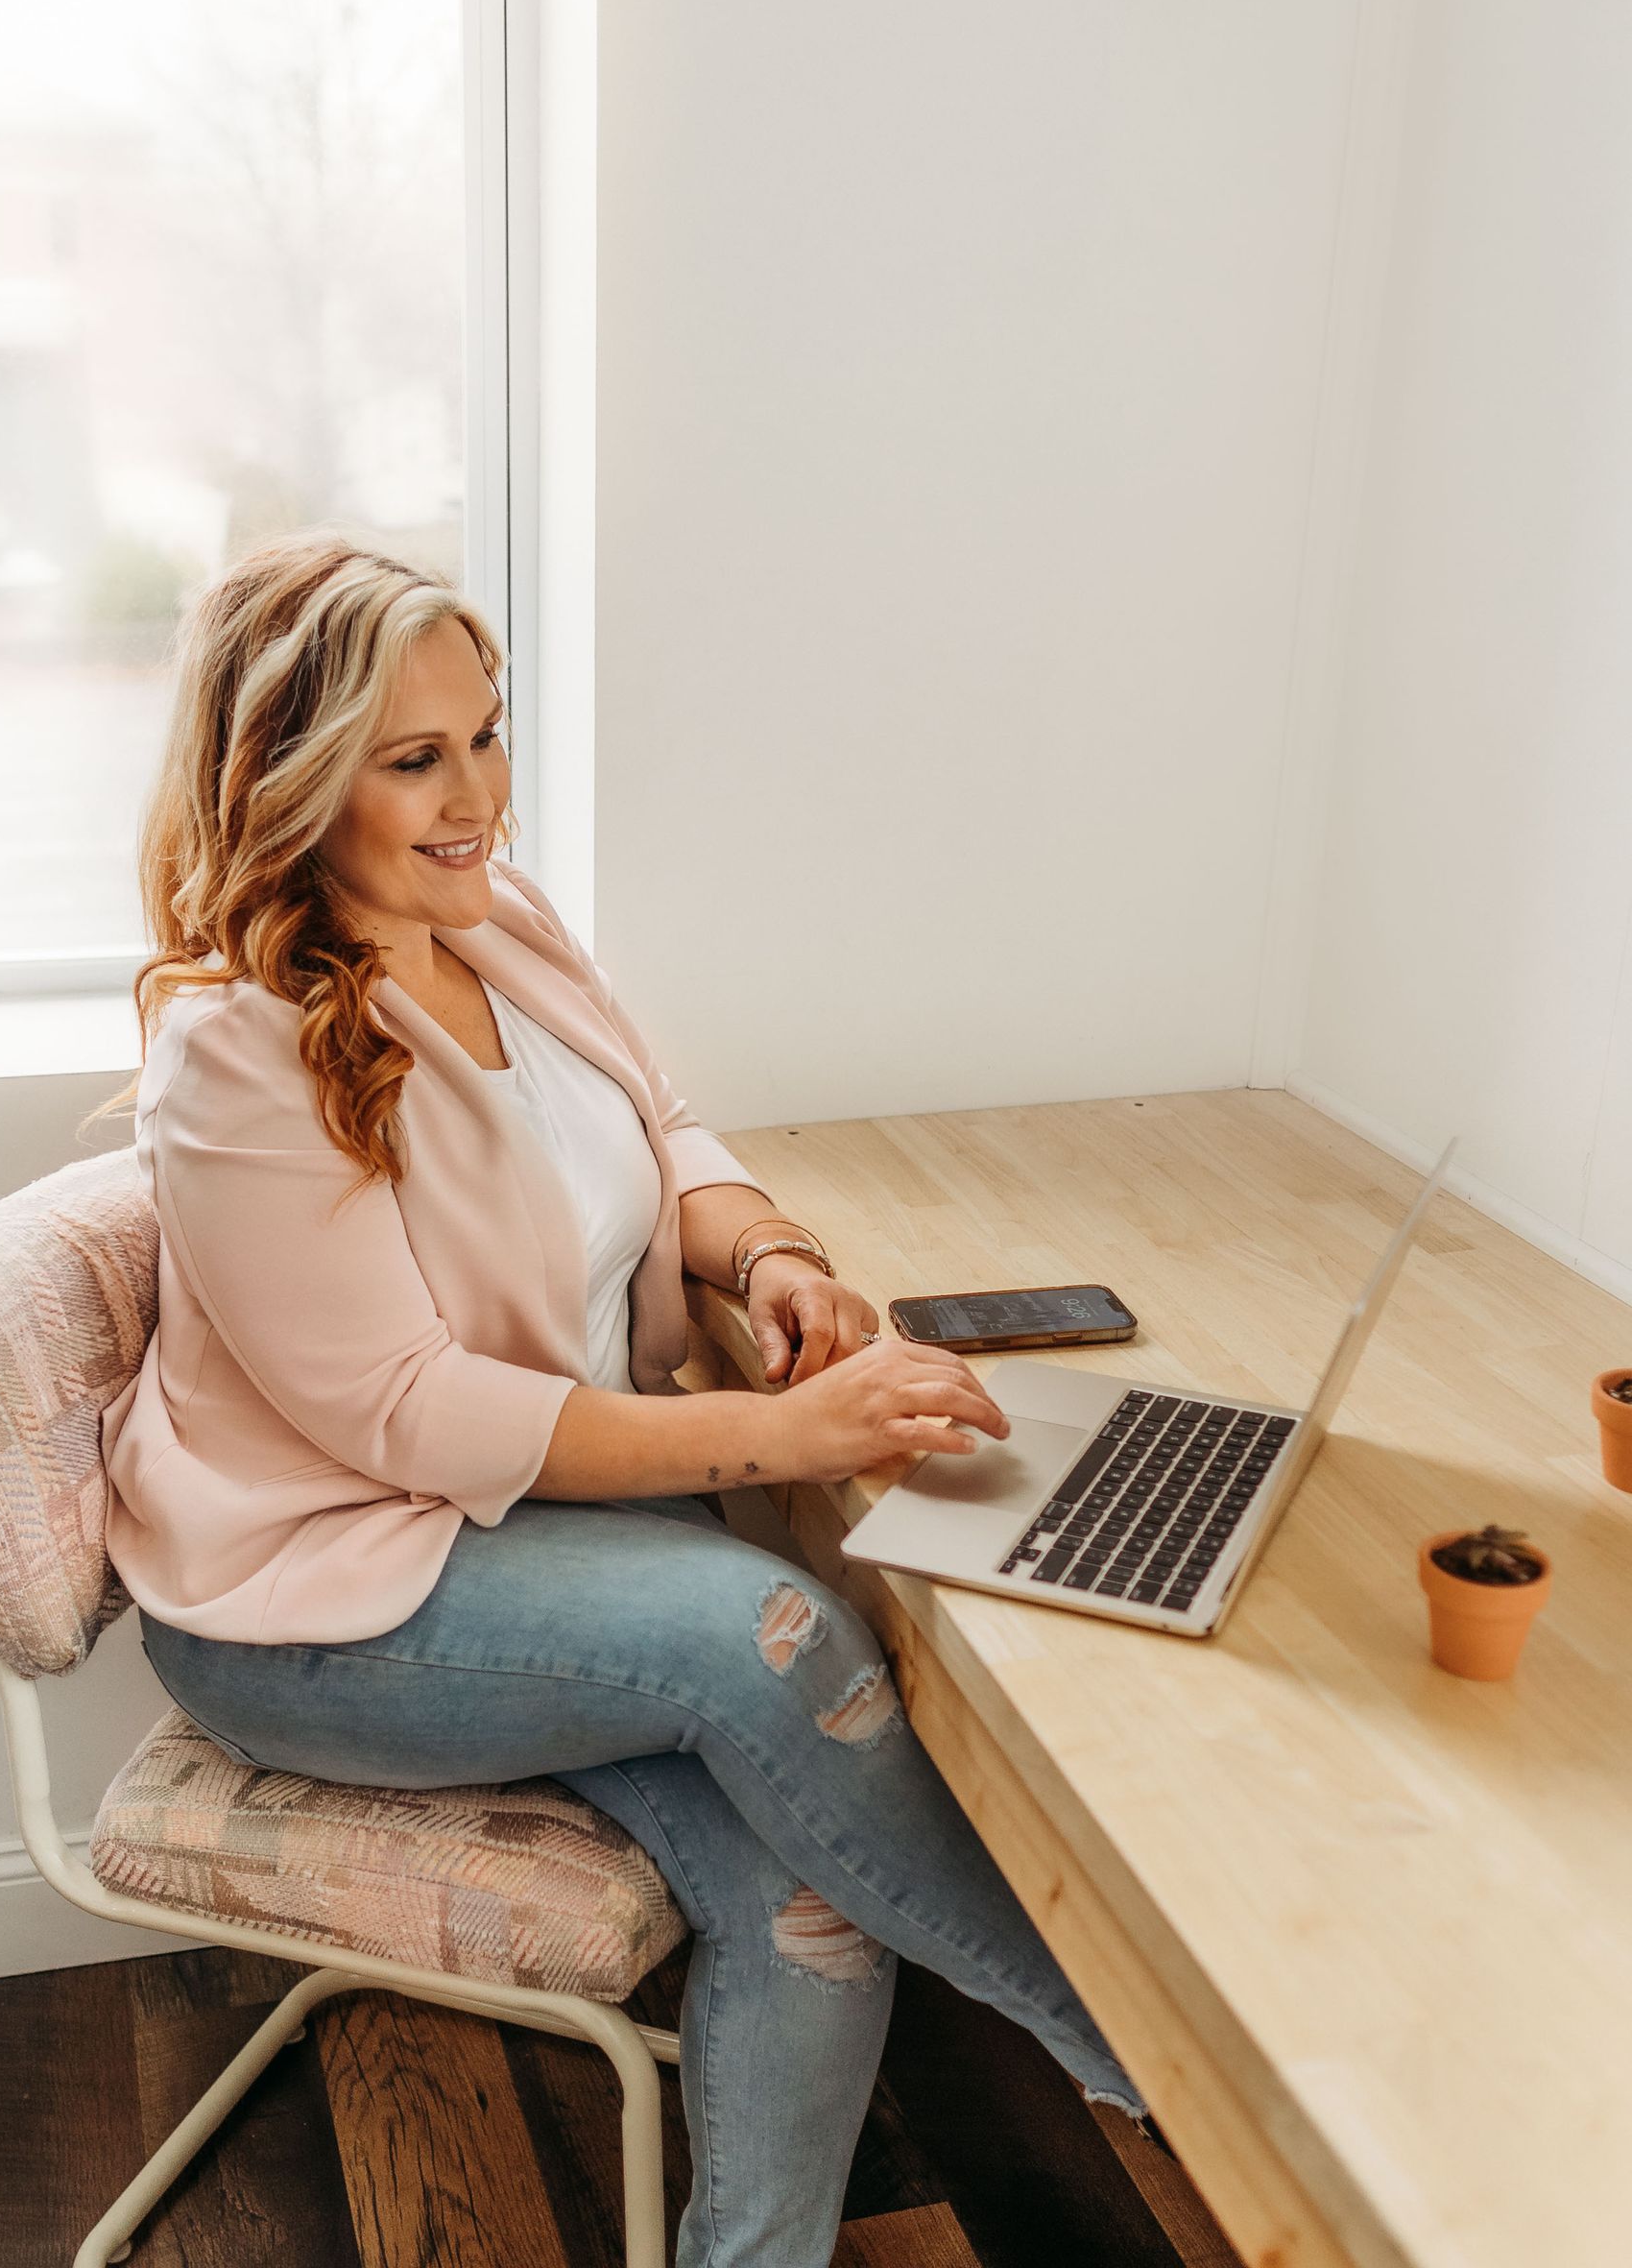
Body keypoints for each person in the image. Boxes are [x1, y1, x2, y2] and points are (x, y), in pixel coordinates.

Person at [102, 532, 1146, 2268]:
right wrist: (795, 1434)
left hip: (541, 1548)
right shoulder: (239, 1050)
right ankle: (1139, 2057)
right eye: (415, 759)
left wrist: (769, 1262)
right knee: (782, 1635)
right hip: (329, 1597)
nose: (475, 800)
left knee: (808, 1890)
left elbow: (665, 1138)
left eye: (488, 735)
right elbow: (415, 1418)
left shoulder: (496, 919)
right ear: (287, 783)